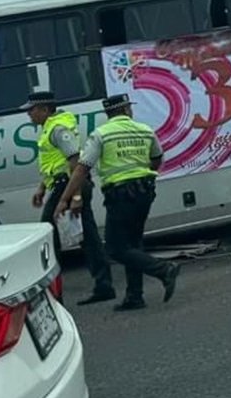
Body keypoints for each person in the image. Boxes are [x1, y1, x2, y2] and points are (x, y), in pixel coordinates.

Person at [56, 95, 180, 311]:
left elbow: (83, 167)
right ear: (125, 110)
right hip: (145, 191)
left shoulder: (101, 134)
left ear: (109, 113)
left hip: (121, 194)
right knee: (132, 244)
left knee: (115, 248)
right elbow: (157, 158)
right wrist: (143, 171)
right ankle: (134, 296)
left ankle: (163, 269)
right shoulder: (144, 129)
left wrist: (66, 198)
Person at [24, 91, 114, 305]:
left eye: (32, 109)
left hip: (70, 185)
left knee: (49, 235)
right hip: (62, 185)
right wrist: (42, 187)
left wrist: (74, 196)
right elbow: (54, 165)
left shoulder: (58, 129)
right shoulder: (49, 129)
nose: (29, 114)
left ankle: (55, 294)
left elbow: (75, 162)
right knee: (86, 235)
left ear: (45, 109)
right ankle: (103, 285)